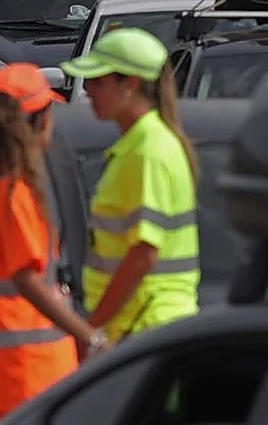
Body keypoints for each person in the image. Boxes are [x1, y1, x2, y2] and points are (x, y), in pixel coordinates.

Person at [0, 64, 108, 424]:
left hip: (5, 373)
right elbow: (27, 278)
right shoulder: (14, 191)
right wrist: (91, 337)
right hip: (31, 371)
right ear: (41, 121)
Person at [60, 28, 200, 344]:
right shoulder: (142, 145)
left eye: (99, 82)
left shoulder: (148, 151)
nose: (89, 92)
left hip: (144, 325)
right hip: (140, 324)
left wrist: (92, 329)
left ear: (131, 84)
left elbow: (143, 254)